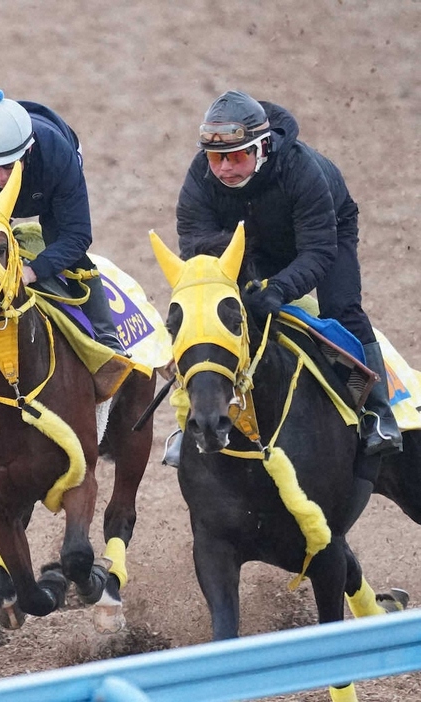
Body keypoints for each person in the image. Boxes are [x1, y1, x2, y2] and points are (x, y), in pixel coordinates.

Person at [166, 89, 402, 465]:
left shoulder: (301, 169)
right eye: (215, 158)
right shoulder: (199, 177)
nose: (224, 169)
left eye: (237, 156)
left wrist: (278, 289)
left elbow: (318, 251)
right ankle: (190, 418)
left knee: (342, 306)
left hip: (324, 234)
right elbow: (198, 249)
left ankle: (377, 413)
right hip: (251, 243)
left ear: (262, 150)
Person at [0, 87, 125, 355]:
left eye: (8, 166)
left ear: (28, 150)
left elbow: (77, 235)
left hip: (46, 183)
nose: (0, 177)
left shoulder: (57, 155)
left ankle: (107, 340)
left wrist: (33, 270)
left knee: (74, 257)